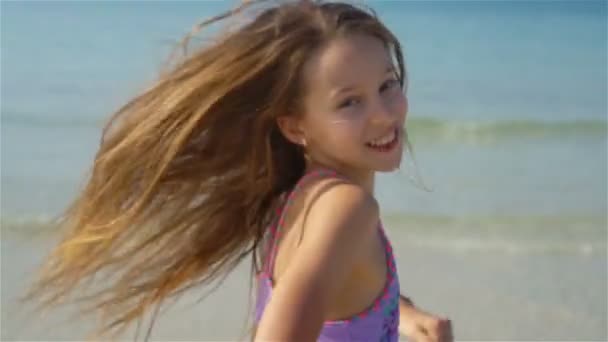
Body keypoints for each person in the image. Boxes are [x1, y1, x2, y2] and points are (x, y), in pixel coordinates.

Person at [24, 1, 453, 341]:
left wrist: (402, 313)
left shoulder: (294, 198)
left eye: (387, 85)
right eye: (349, 102)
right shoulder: (348, 208)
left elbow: (336, 301)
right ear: (295, 126)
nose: (382, 115)